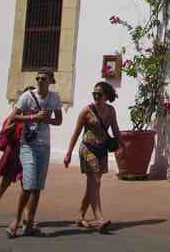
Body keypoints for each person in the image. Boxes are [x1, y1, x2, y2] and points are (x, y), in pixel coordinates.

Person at [6, 67, 62, 238]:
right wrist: (32, 117)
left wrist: (48, 119)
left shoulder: (54, 98)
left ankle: (30, 223)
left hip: (44, 146)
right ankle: (16, 220)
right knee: (28, 184)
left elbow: (58, 120)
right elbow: (12, 118)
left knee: (37, 186)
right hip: (28, 145)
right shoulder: (27, 97)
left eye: (44, 78)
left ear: (51, 81)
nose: (39, 81)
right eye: (38, 78)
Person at [63, 80, 121, 232]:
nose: (96, 96)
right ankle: (99, 219)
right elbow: (76, 133)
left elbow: (115, 129)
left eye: (99, 94)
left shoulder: (111, 111)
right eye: (94, 94)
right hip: (87, 149)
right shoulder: (86, 111)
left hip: (102, 150)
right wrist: (68, 153)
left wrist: (121, 147)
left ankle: (80, 215)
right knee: (95, 181)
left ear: (107, 96)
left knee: (94, 185)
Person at [0, 102, 28, 228]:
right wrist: (8, 131)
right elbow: (3, 138)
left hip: (25, 157)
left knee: (27, 187)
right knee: (4, 185)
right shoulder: (13, 119)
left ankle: (26, 218)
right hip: (13, 156)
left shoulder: (30, 119)